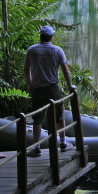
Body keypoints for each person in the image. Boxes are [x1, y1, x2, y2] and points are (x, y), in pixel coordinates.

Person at [23, 25, 75, 157]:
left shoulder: (32, 50)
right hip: (53, 88)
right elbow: (65, 70)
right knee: (59, 116)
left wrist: (30, 84)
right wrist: (70, 86)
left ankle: (36, 148)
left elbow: (26, 69)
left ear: (41, 36)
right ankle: (62, 143)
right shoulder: (57, 50)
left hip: (37, 89)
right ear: (52, 37)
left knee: (37, 118)